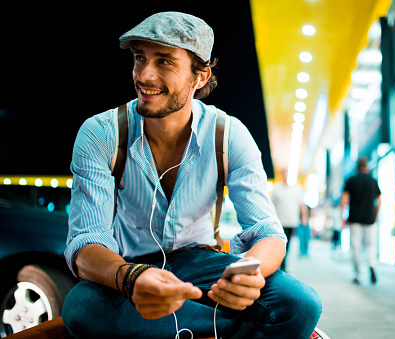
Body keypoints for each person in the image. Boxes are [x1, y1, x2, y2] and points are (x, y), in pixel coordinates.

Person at [62, 12, 322, 338]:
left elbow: (266, 231)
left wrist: (248, 275)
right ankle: (233, 326)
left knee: (301, 304)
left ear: (200, 76)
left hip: (204, 266)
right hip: (131, 268)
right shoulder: (101, 133)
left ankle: (164, 326)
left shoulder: (228, 135)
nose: (144, 75)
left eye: (165, 62)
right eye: (140, 58)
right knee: (81, 309)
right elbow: (86, 242)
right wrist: (131, 278)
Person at [340, 157, 381, 285]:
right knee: (371, 244)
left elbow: (344, 199)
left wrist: (343, 217)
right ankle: (372, 264)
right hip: (370, 218)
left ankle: (358, 274)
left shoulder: (351, 180)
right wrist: (376, 215)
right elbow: (379, 200)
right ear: (367, 167)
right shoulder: (373, 181)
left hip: (354, 218)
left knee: (356, 247)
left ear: (357, 167)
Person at [270, 169, 306, 271]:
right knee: (280, 244)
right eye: (284, 174)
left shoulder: (297, 189)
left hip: (291, 221)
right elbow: (271, 204)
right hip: (279, 221)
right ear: (282, 175)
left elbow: (301, 204)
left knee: (287, 244)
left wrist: (304, 217)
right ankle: (280, 264)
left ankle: (283, 264)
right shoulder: (277, 188)